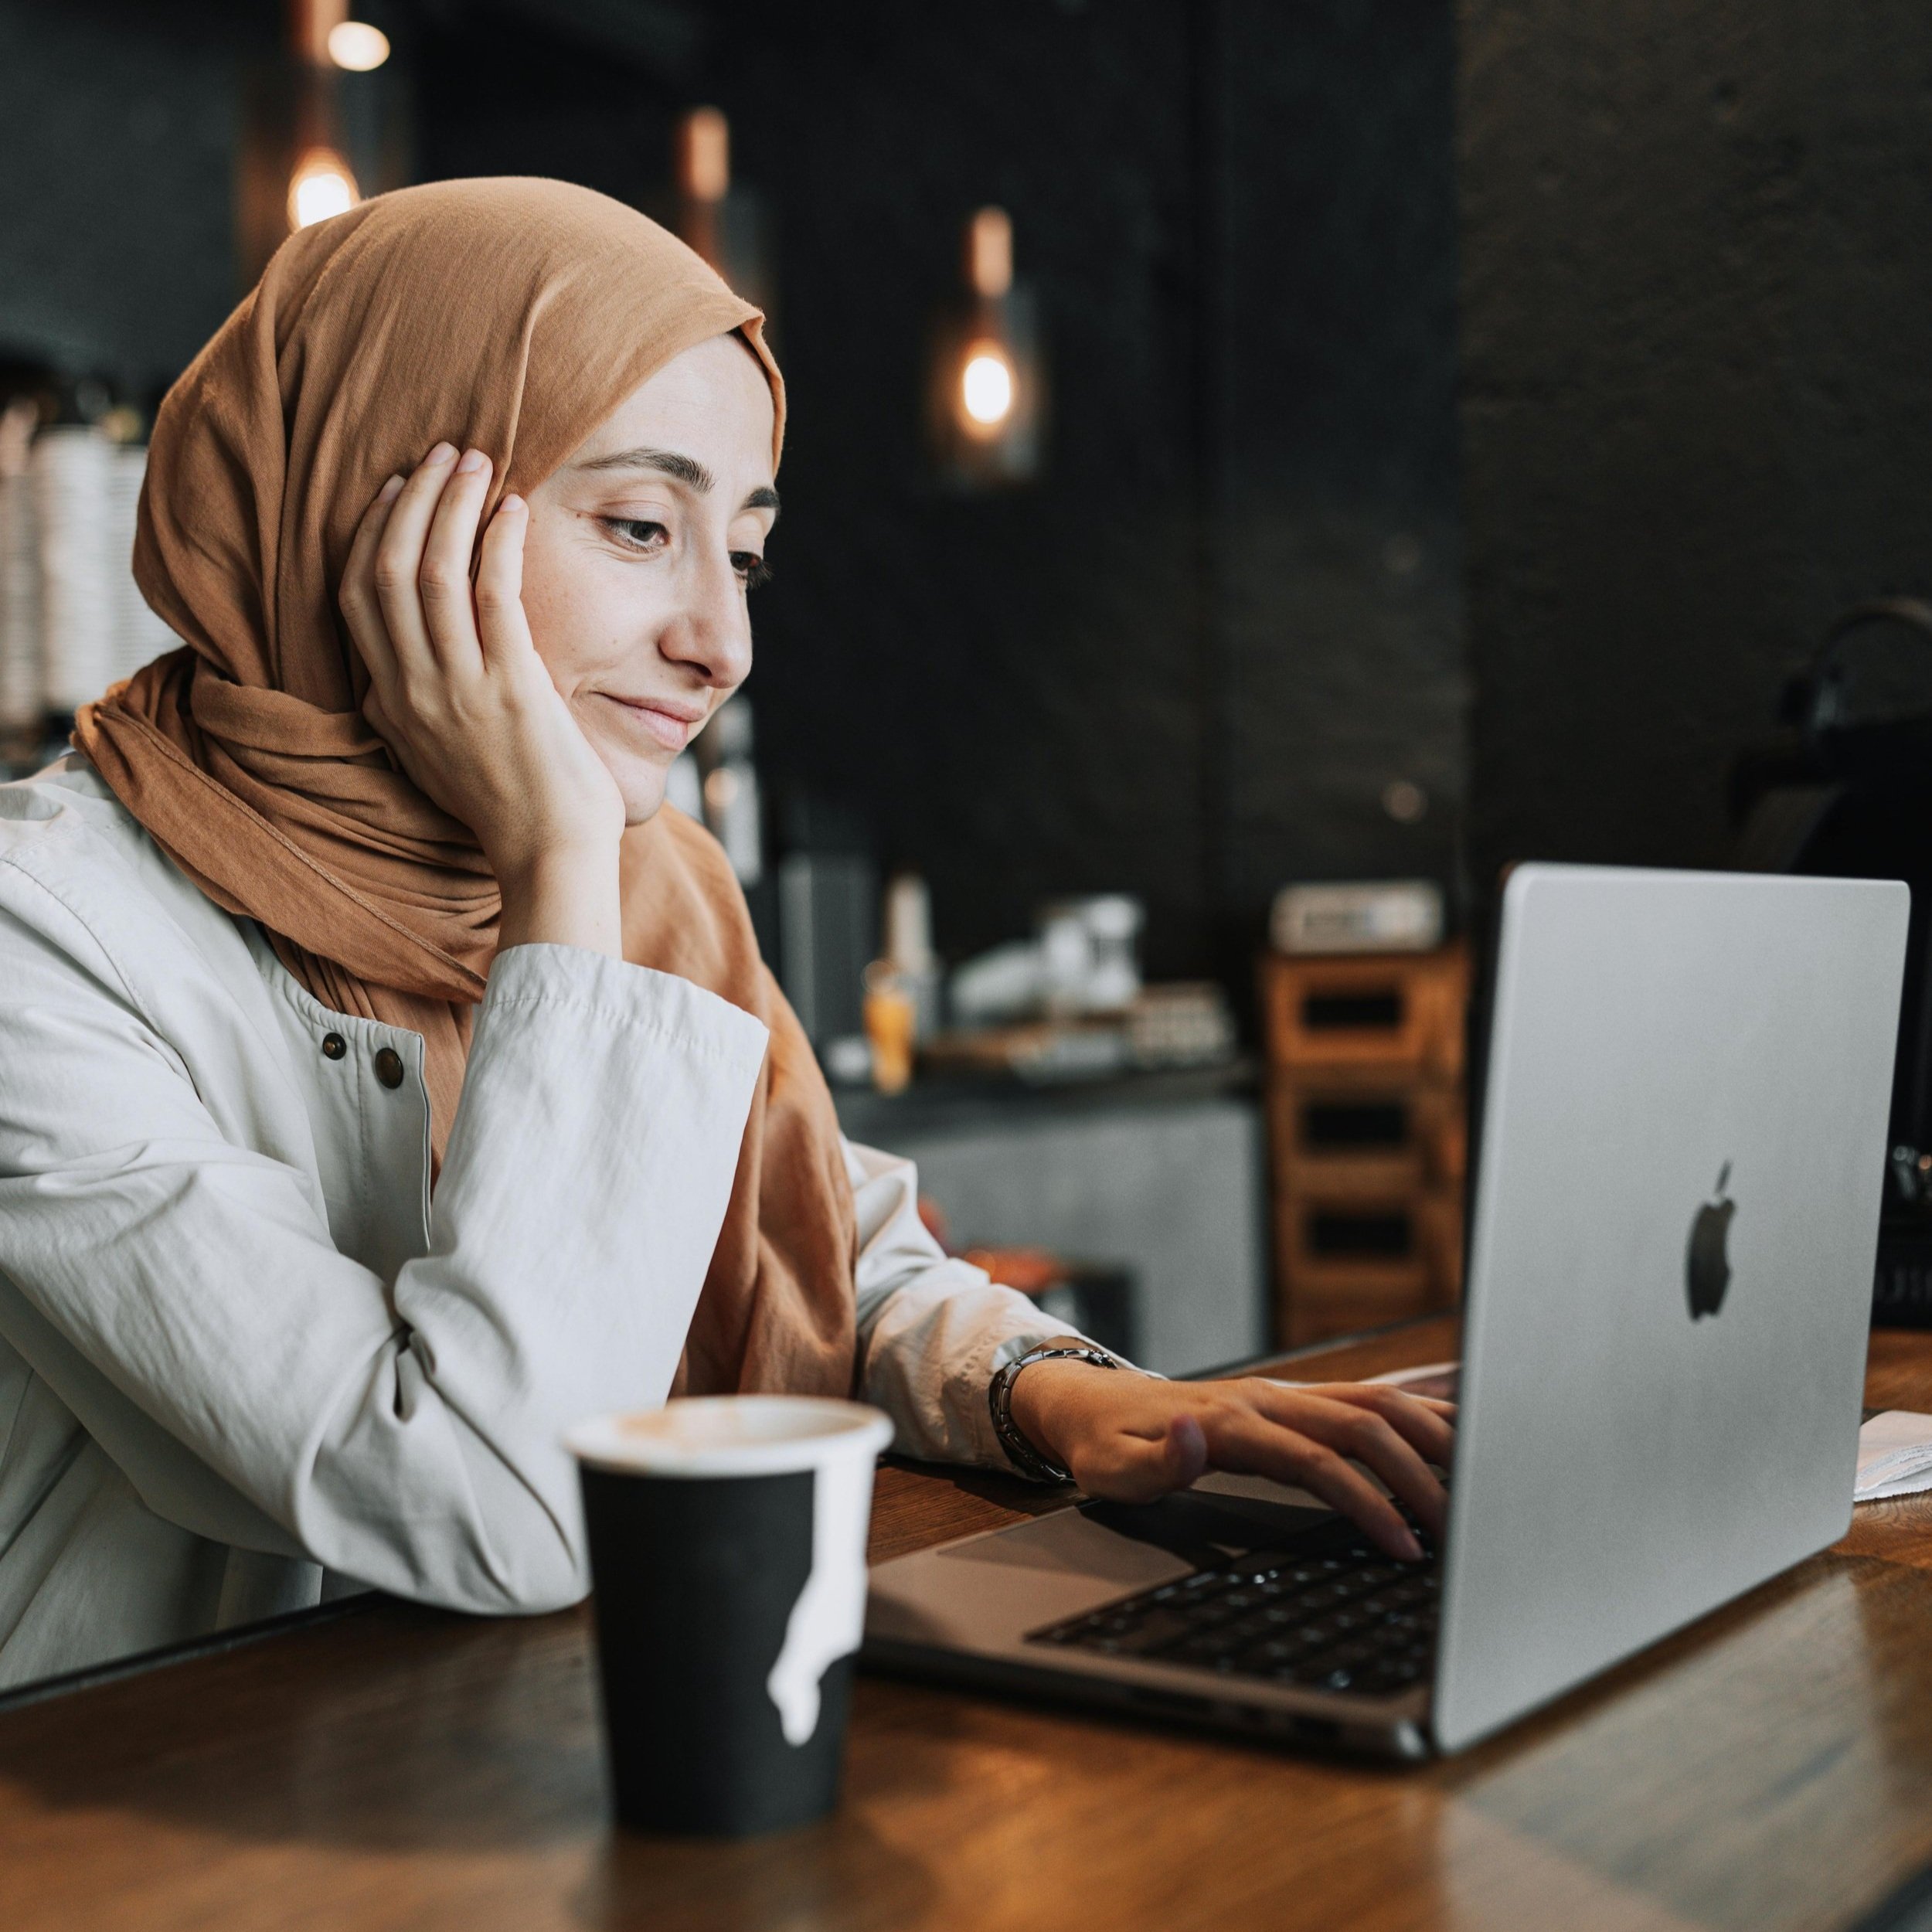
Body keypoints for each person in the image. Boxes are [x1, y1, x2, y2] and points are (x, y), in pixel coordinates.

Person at [0, 179, 1452, 1687]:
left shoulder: (650, 879)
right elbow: (497, 1500)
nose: (721, 643)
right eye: (639, 525)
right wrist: (557, 863)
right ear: (372, 513)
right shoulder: (41, 941)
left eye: (742, 551)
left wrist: (1068, 1396)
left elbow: (831, 1251)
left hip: (517, 1751)